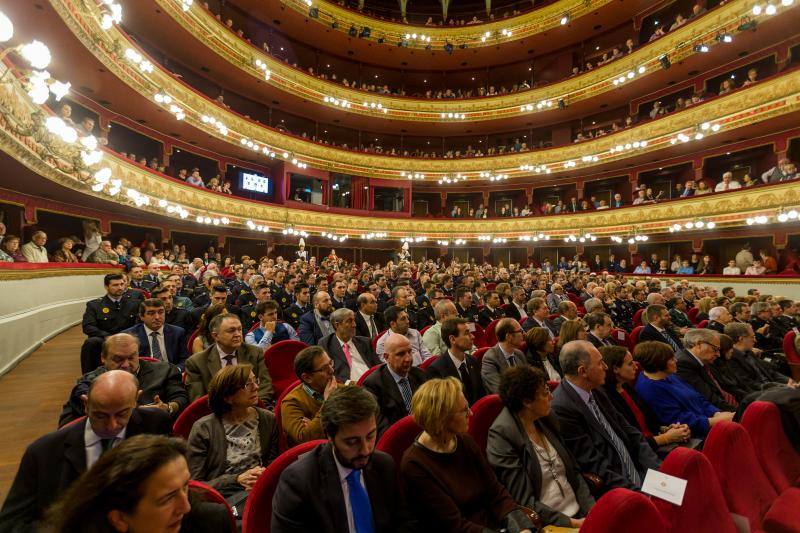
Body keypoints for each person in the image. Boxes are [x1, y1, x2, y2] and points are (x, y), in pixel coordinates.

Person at [0, 371, 172, 530]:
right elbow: (11, 523)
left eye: (121, 414)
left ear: (136, 401)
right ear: (85, 404)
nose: (111, 425)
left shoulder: (156, 424)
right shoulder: (44, 452)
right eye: (100, 415)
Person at [401, 377, 537, 533]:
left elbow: (496, 491)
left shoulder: (464, 441)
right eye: (464, 410)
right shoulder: (415, 465)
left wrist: (521, 527)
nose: (471, 413)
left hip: (495, 525)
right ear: (442, 419)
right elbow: (454, 526)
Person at [272, 385, 413, 532]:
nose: (365, 450)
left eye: (370, 436)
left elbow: (405, 522)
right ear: (330, 436)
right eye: (352, 442)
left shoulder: (383, 465)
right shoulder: (300, 481)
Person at [45, 434, 232, 533]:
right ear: (120, 519)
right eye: (167, 499)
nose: (186, 507)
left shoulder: (210, 522)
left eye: (185, 486)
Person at [487, 366, 594, 528]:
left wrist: (592, 512)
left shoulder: (546, 418)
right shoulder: (502, 436)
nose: (551, 397)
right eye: (545, 393)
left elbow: (575, 472)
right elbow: (524, 500)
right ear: (527, 401)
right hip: (549, 523)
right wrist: (573, 523)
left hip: (581, 514)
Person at [550, 341, 661, 495]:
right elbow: (593, 464)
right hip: (617, 486)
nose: (606, 367)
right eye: (600, 363)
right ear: (583, 371)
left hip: (639, 470)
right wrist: (639, 494)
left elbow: (631, 432)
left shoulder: (596, 389)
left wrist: (658, 473)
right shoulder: (562, 409)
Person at [187, 364, 279, 509]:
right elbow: (195, 487)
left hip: (261, 491)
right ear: (228, 397)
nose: (255, 387)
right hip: (223, 500)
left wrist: (263, 479)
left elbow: (273, 466)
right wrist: (236, 480)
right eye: (247, 384)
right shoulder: (203, 429)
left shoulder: (268, 419)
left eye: (255, 381)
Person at [59, 333, 188, 426]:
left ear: (138, 354)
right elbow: (67, 422)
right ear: (103, 358)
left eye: (131, 358)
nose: (126, 365)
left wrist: (168, 407)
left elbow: (181, 398)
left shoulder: (165, 371)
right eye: (118, 359)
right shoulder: (90, 381)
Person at [600, 345, 692, 452]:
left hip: (653, 441)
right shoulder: (606, 397)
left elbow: (647, 421)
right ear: (615, 369)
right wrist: (665, 438)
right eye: (630, 364)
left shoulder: (625, 386)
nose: (636, 366)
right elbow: (629, 442)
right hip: (644, 454)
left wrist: (666, 429)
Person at [634, 341, 734, 438]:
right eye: (672, 359)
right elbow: (678, 420)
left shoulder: (669, 375)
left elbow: (698, 397)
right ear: (659, 363)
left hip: (709, 420)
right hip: (697, 433)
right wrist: (714, 421)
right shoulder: (651, 390)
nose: (676, 360)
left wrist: (716, 413)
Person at [184, 314, 275, 404]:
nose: (238, 334)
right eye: (231, 331)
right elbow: (198, 400)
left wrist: (253, 408)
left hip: (252, 409)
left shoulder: (254, 352)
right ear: (216, 336)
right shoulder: (196, 362)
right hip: (217, 414)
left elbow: (265, 386)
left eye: (239, 329)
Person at [362, 334, 428, 437]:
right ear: (386, 357)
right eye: (401, 354)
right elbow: (382, 429)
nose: (408, 359)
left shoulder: (420, 375)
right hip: (398, 439)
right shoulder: (373, 385)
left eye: (410, 352)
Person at [80, 273, 140, 373]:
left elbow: (139, 324)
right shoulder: (95, 305)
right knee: (91, 343)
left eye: (122, 284)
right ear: (106, 286)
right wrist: (108, 337)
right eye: (115, 285)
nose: (120, 287)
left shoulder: (134, 303)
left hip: (129, 338)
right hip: (105, 339)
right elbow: (88, 326)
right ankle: (89, 378)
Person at [280, 346, 339, 447]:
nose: (332, 370)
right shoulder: (291, 402)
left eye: (330, 363)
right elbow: (305, 439)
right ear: (307, 377)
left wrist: (315, 426)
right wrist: (328, 402)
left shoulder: (337, 388)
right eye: (324, 368)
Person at [426, 317, 486, 405]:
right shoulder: (437, 370)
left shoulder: (473, 360)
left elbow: (481, 394)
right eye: (467, 333)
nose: (473, 337)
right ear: (452, 339)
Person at [676, 329, 739, 411]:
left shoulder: (699, 360)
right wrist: (737, 412)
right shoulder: (684, 364)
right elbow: (709, 397)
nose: (718, 355)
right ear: (698, 344)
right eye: (715, 349)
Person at [318, 307, 381, 382]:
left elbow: (378, 366)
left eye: (354, 320)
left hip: (372, 382)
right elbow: (326, 373)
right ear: (337, 325)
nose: (354, 325)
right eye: (349, 321)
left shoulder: (365, 342)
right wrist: (348, 383)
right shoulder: (326, 344)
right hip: (347, 388)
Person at [122, 298, 188, 369]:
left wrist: (176, 370)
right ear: (141, 316)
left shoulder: (178, 332)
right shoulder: (129, 336)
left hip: (171, 372)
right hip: (143, 374)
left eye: (161, 312)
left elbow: (185, 359)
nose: (157, 317)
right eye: (151, 313)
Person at [481, 318, 530, 394]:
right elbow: (500, 391)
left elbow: (529, 381)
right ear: (508, 336)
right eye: (520, 331)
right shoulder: (490, 359)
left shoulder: (519, 354)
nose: (524, 334)